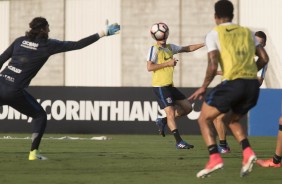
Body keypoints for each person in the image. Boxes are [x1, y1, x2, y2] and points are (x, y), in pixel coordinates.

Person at [0, 17, 120, 160]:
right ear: (43, 29)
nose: (49, 30)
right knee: (40, 116)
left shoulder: (19, 40)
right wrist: (102, 33)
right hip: (14, 90)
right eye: (48, 27)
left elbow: (1, 59)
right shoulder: (48, 45)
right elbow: (78, 45)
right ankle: (33, 153)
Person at [188, 0, 269, 178]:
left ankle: (214, 158)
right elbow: (264, 57)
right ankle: (248, 152)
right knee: (231, 119)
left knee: (203, 119)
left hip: (233, 83)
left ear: (215, 16)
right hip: (252, 86)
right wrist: (250, 73)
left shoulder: (214, 34)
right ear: (233, 15)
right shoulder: (248, 33)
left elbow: (212, 65)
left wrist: (203, 87)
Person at [147, 22, 204, 149]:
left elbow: (187, 48)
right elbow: (149, 67)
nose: (162, 37)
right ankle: (179, 142)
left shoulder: (170, 48)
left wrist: (204, 44)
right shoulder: (153, 49)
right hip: (160, 86)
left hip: (170, 86)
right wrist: (168, 63)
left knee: (188, 108)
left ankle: (163, 121)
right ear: (156, 36)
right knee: (171, 113)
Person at [213, 31, 268, 154]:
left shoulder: (261, 60)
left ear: (264, 45)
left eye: (260, 43)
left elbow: (259, 80)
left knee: (220, 118)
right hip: (233, 88)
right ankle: (227, 146)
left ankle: (226, 147)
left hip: (241, 91)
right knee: (222, 119)